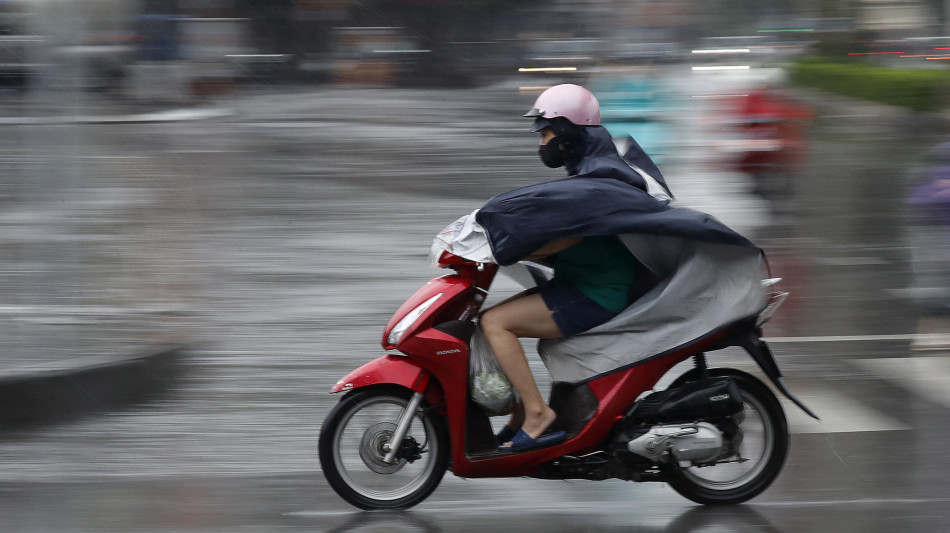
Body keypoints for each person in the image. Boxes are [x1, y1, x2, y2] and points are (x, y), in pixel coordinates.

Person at [479, 84, 655, 452]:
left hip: (597, 293)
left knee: (496, 324)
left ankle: (537, 414)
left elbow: (566, 237)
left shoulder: (599, 178)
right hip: (581, 283)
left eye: (545, 133)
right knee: (497, 319)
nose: (542, 143)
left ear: (567, 131)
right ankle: (518, 415)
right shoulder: (589, 171)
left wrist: (507, 248)